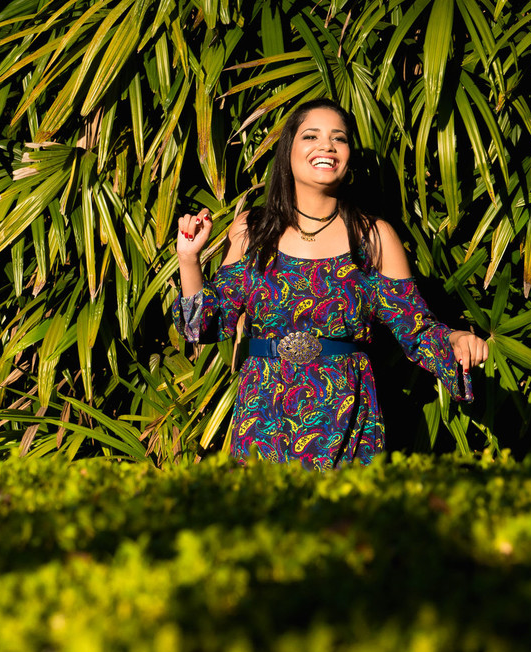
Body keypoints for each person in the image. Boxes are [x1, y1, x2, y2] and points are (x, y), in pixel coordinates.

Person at [172, 98, 488, 469]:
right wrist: (189, 259)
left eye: (338, 138)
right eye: (311, 136)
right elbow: (204, 324)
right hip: (263, 415)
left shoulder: (373, 236)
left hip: (347, 416)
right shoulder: (253, 228)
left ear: (348, 156)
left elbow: (416, 329)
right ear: (289, 150)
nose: (327, 146)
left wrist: (456, 340)